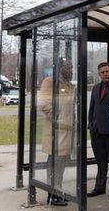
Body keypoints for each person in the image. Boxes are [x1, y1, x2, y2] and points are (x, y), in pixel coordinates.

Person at [38, 59, 75, 207]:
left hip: (68, 131)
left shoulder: (69, 85)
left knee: (62, 163)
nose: (71, 70)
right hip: (56, 132)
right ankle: (52, 194)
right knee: (54, 162)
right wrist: (57, 118)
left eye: (72, 67)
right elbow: (43, 104)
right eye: (68, 67)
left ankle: (57, 190)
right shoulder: (49, 82)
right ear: (60, 68)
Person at [87, 62, 109, 198]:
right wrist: (90, 124)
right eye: (102, 72)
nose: (105, 74)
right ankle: (99, 187)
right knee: (100, 161)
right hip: (96, 131)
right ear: (99, 74)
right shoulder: (95, 88)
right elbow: (92, 108)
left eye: (107, 71)